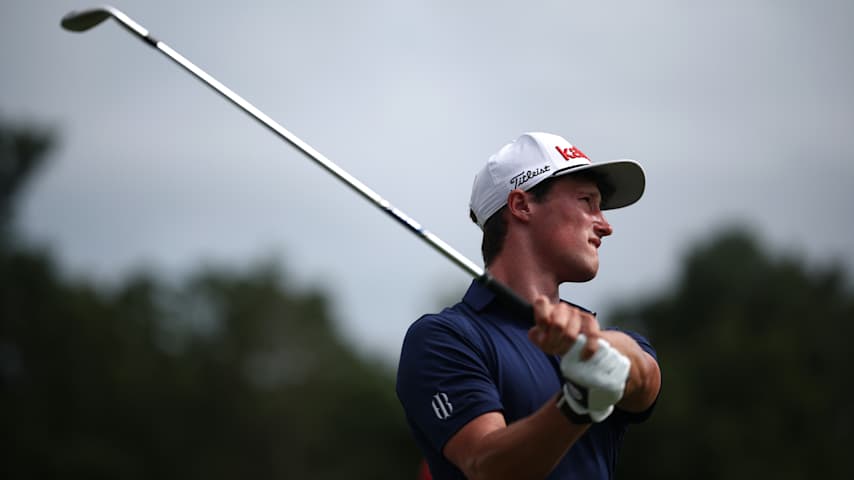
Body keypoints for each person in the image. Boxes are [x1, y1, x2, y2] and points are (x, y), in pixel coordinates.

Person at [396, 132, 662, 480]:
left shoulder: (593, 335)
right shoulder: (444, 339)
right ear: (522, 205)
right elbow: (487, 465)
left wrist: (604, 350)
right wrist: (579, 401)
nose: (606, 225)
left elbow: (645, 379)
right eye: (587, 201)